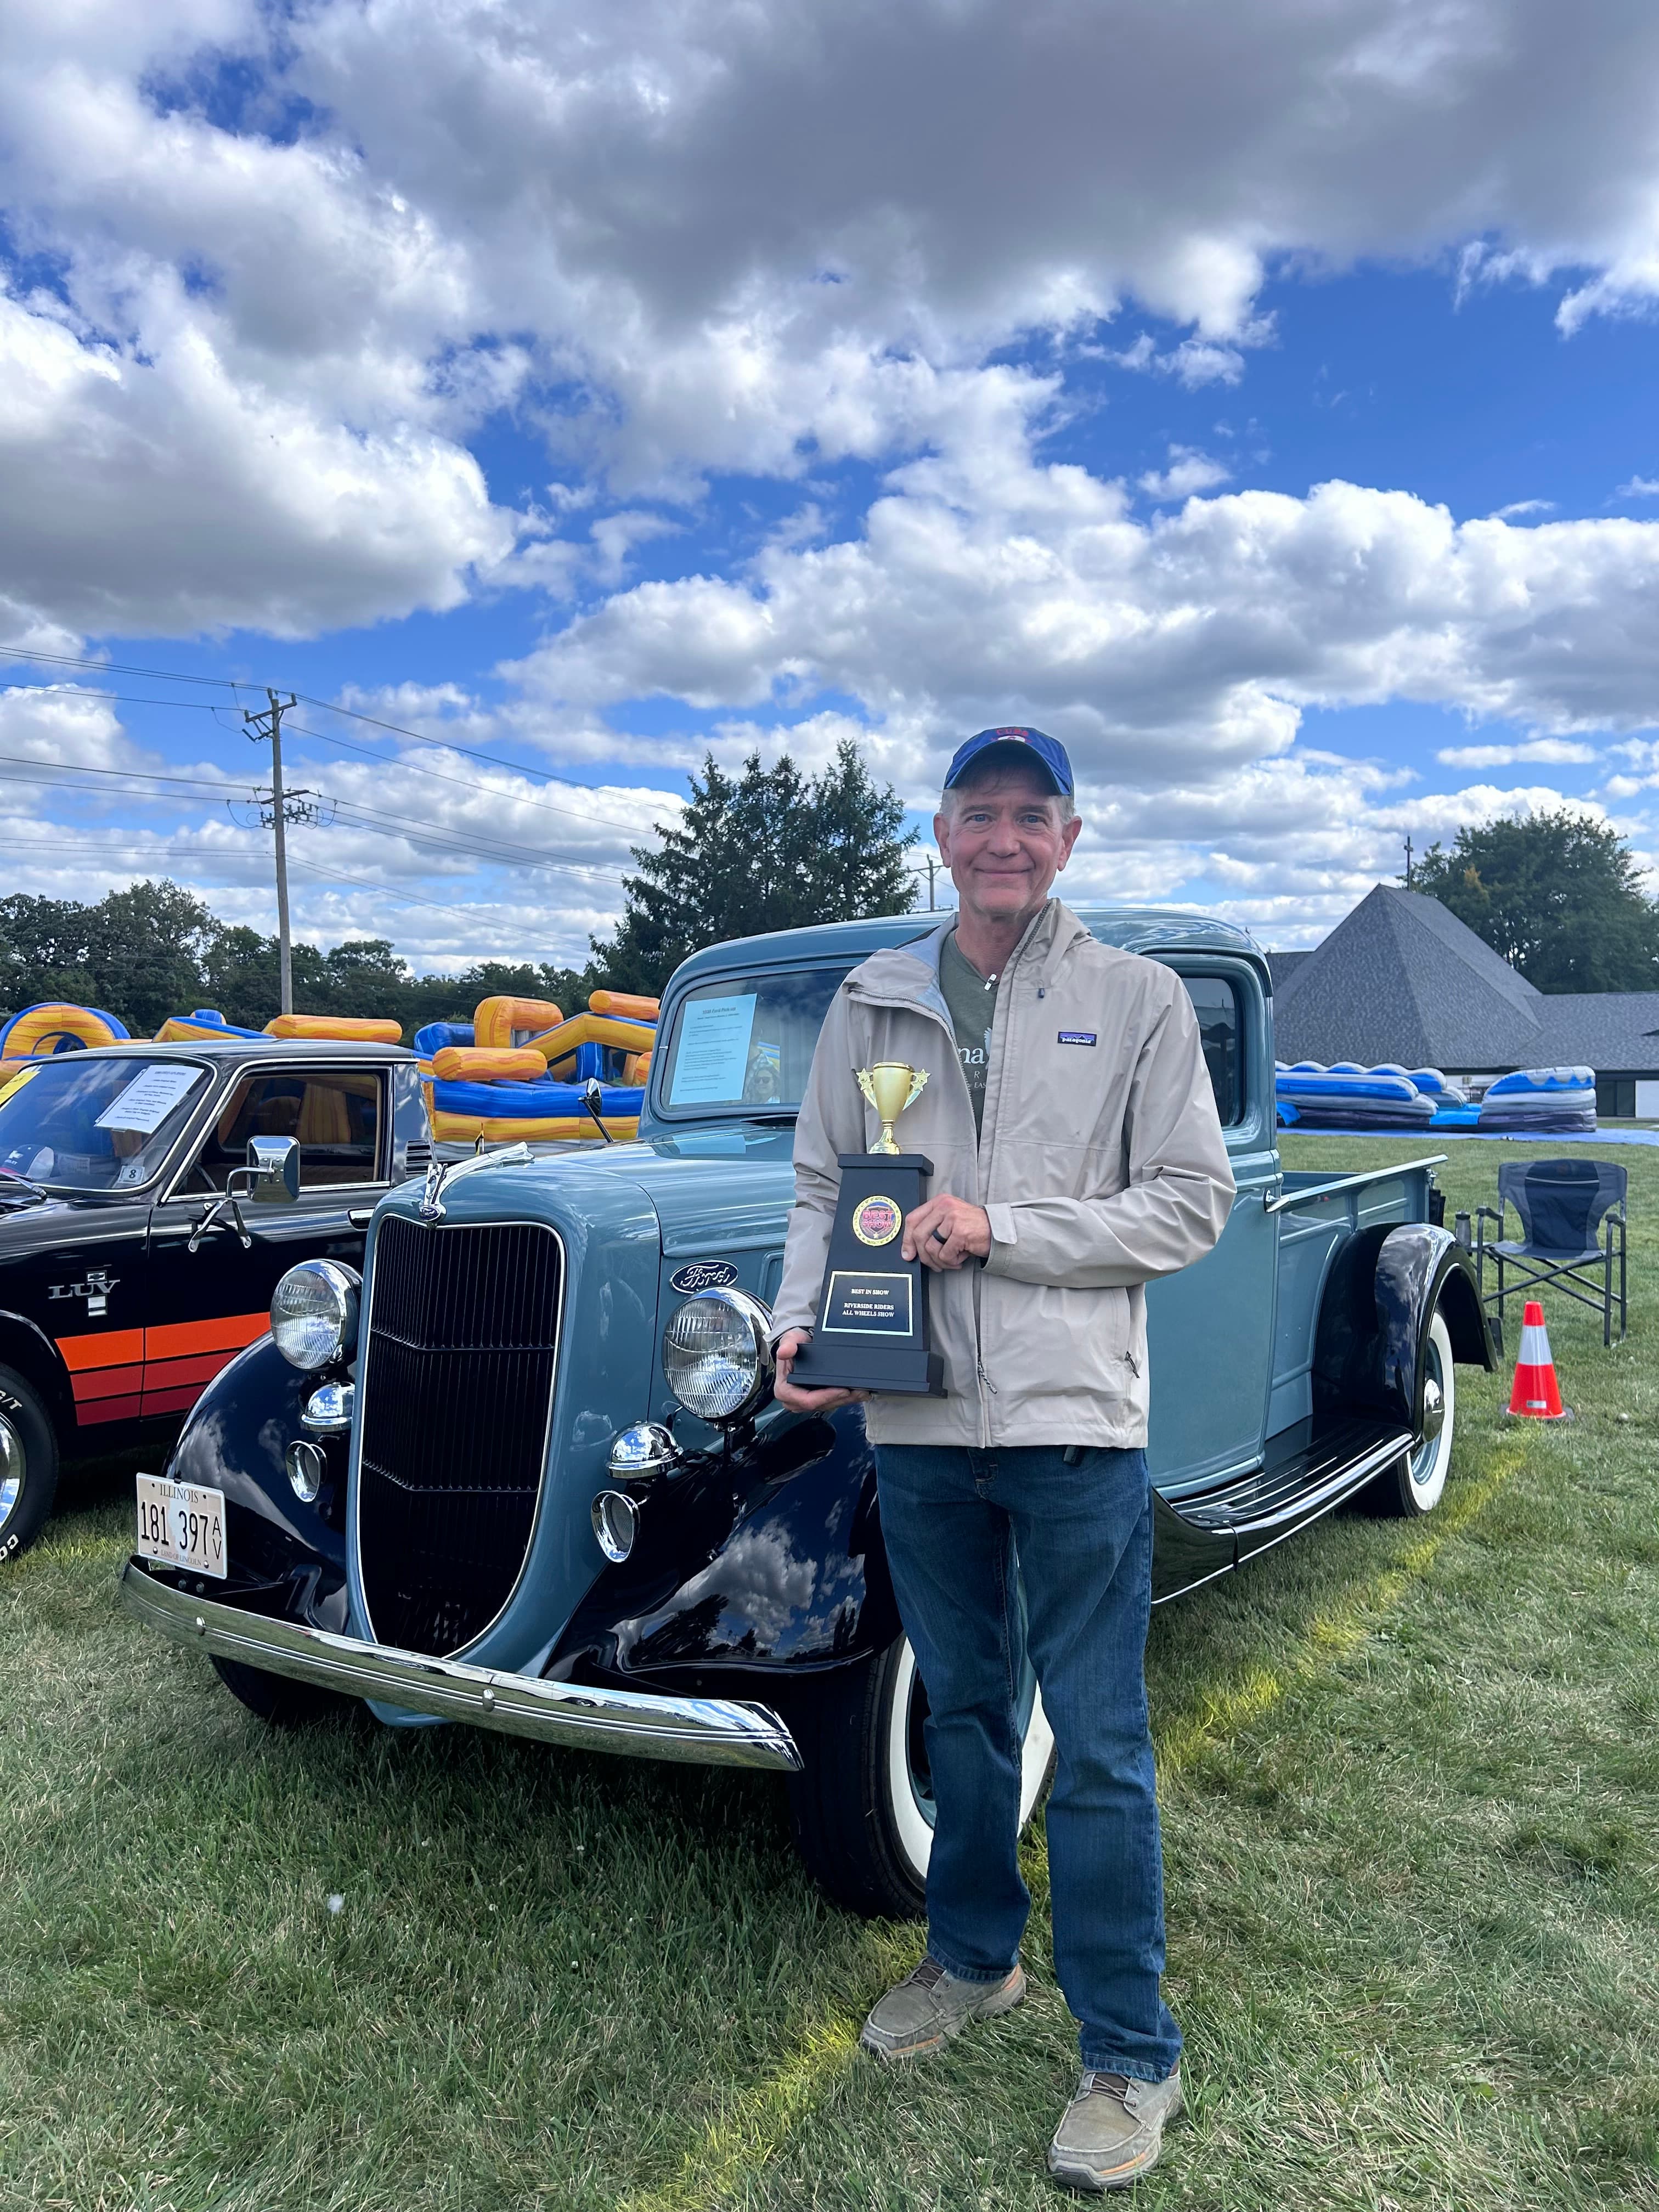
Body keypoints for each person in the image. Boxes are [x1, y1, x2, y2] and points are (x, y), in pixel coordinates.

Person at [771, 726, 1235, 2193]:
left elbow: (1191, 1203)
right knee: (967, 1715)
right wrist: (800, 1326)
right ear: (943, 833)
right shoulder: (873, 998)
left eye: (1033, 815)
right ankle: (974, 1958)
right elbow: (825, 1187)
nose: (1005, 839)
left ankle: (1131, 2053)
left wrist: (1004, 1232)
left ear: (1069, 838)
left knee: (1096, 1745)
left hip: (1072, 1421)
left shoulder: (1137, 999)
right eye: (980, 813)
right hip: (917, 1426)